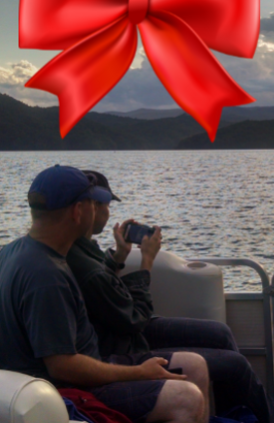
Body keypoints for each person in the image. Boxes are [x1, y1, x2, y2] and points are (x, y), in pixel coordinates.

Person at [66, 170, 274, 423]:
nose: (109, 212)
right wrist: (146, 261)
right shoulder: (82, 263)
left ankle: (235, 415)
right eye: (106, 205)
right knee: (234, 365)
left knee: (219, 333)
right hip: (126, 339)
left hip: (124, 327)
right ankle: (273, 418)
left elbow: (107, 290)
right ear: (90, 207)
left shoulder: (86, 250)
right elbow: (135, 317)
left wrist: (120, 256)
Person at [0, 165, 211, 423]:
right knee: (186, 398)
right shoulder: (46, 277)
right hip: (68, 391)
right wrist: (137, 373)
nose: (100, 210)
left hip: (85, 369)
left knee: (194, 366)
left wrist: (117, 258)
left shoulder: (14, 252)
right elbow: (62, 365)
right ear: (79, 211)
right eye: (93, 203)